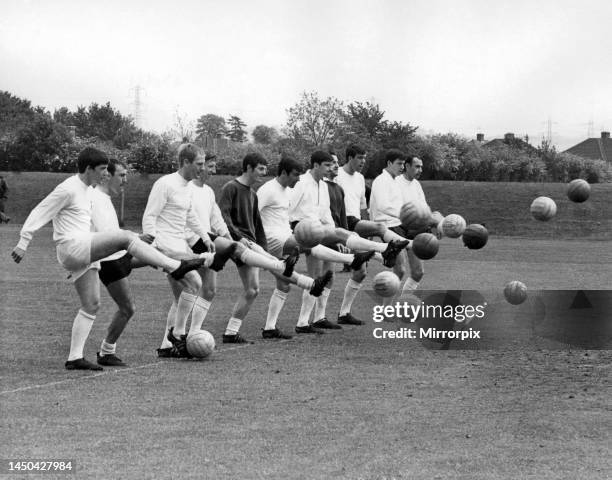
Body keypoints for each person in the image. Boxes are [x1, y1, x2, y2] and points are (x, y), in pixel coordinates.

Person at [12, 147, 209, 370]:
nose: (106, 174)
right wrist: (23, 241)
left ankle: (75, 358)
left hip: (87, 251)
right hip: (73, 247)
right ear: (88, 169)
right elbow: (42, 210)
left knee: (92, 304)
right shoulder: (68, 188)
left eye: (108, 169)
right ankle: (176, 266)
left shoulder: (88, 190)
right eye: (103, 169)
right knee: (126, 238)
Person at [289, 151, 409, 333]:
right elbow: (288, 209)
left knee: (326, 276)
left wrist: (333, 236)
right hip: (302, 231)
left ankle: (316, 318)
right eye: (328, 165)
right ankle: (383, 250)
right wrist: (292, 232)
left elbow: (326, 215)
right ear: (315, 165)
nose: (331, 168)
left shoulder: (323, 186)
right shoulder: (301, 183)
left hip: (319, 230)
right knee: (317, 272)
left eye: (332, 164)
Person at [142, 143, 220, 358]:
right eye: (199, 164)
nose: (202, 168)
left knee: (181, 297)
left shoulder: (187, 187)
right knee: (195, 282)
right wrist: (153, 246)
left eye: (204, 164)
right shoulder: (165, 184)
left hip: (179, 244)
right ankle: (178, 334)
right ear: (185, 162)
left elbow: (189, 215)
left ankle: (167, 345)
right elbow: (150, 216)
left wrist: (205, 237)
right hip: (166, 246)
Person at [334, 145, 413, 324]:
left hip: (355, 222)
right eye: (360, 157)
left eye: (365, 158)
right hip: (341, 222)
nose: (363, 161)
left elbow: (362, 207)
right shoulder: (336, 174)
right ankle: (388, 251)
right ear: (349, 157)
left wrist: (364, 237)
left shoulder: (361, 178)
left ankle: (344, 314)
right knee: (379, 228)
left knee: (360, 272)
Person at [395, 156, 438, 297]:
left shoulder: (416, 185)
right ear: (407, 166)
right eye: (417, 166)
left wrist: (434, 223)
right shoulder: (395, 182)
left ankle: (404, 302)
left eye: (421, 167)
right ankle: (386, 307)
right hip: (398, 229)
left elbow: (424, 209)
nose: (420, 170)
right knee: (399, 271)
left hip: (416, 231)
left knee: (418, 272)